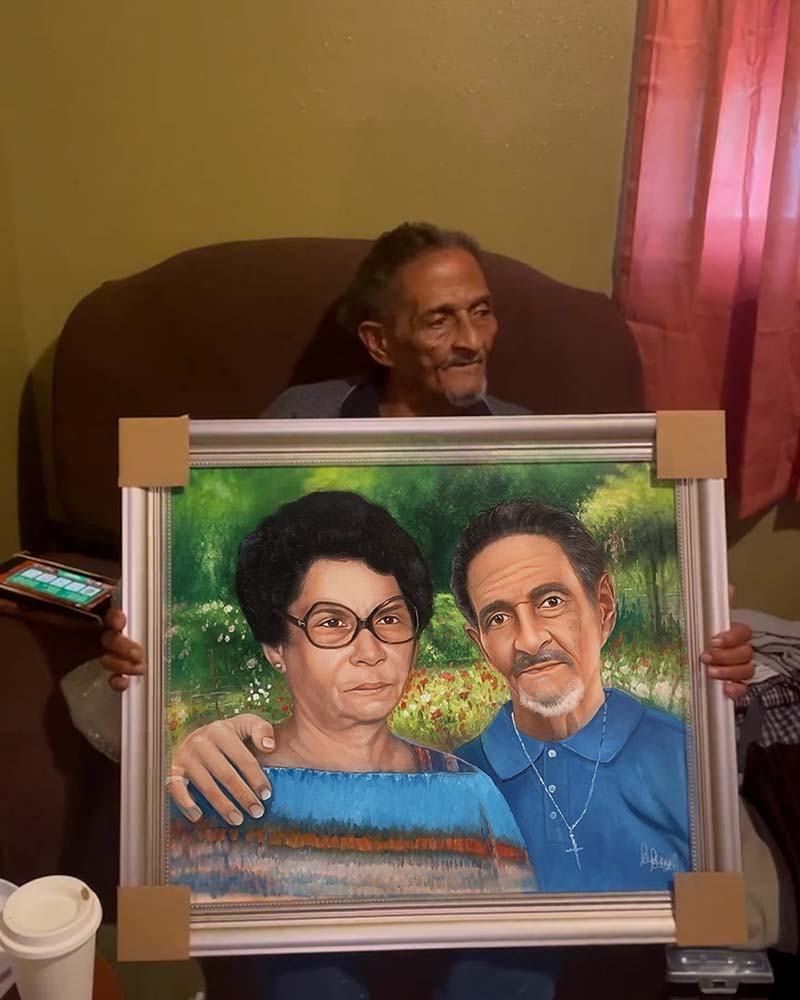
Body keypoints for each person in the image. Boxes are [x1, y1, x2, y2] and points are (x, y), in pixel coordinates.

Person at [170, 490, 535, 901]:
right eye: (331, 622)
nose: (370, 652)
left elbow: (515, 944)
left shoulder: (470, 798)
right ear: (276, 646)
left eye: (390, 618)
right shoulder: (220, 788)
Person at [450, 499, 691, 892]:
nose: (529, 639)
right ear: (481, 644)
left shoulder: (683, 755)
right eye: (498, 618)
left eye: (551, 602)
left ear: (604, 607)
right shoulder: (453, 780)